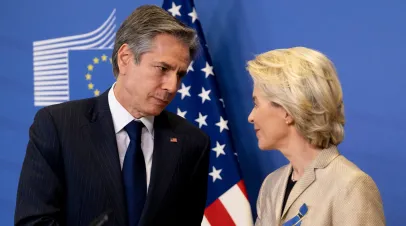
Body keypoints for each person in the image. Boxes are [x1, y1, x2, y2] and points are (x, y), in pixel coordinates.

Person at [15, 5, 211, 226]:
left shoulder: (192, 142)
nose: (172, 86)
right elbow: (33, 221)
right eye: (162, 69)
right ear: (125, 58)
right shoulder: (58, 126)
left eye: (180, 74)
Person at [246, 47, 385, 225]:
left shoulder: (351, 186)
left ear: (287, 110)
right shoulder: (271, 185)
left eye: (256, 104)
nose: (251, 117)